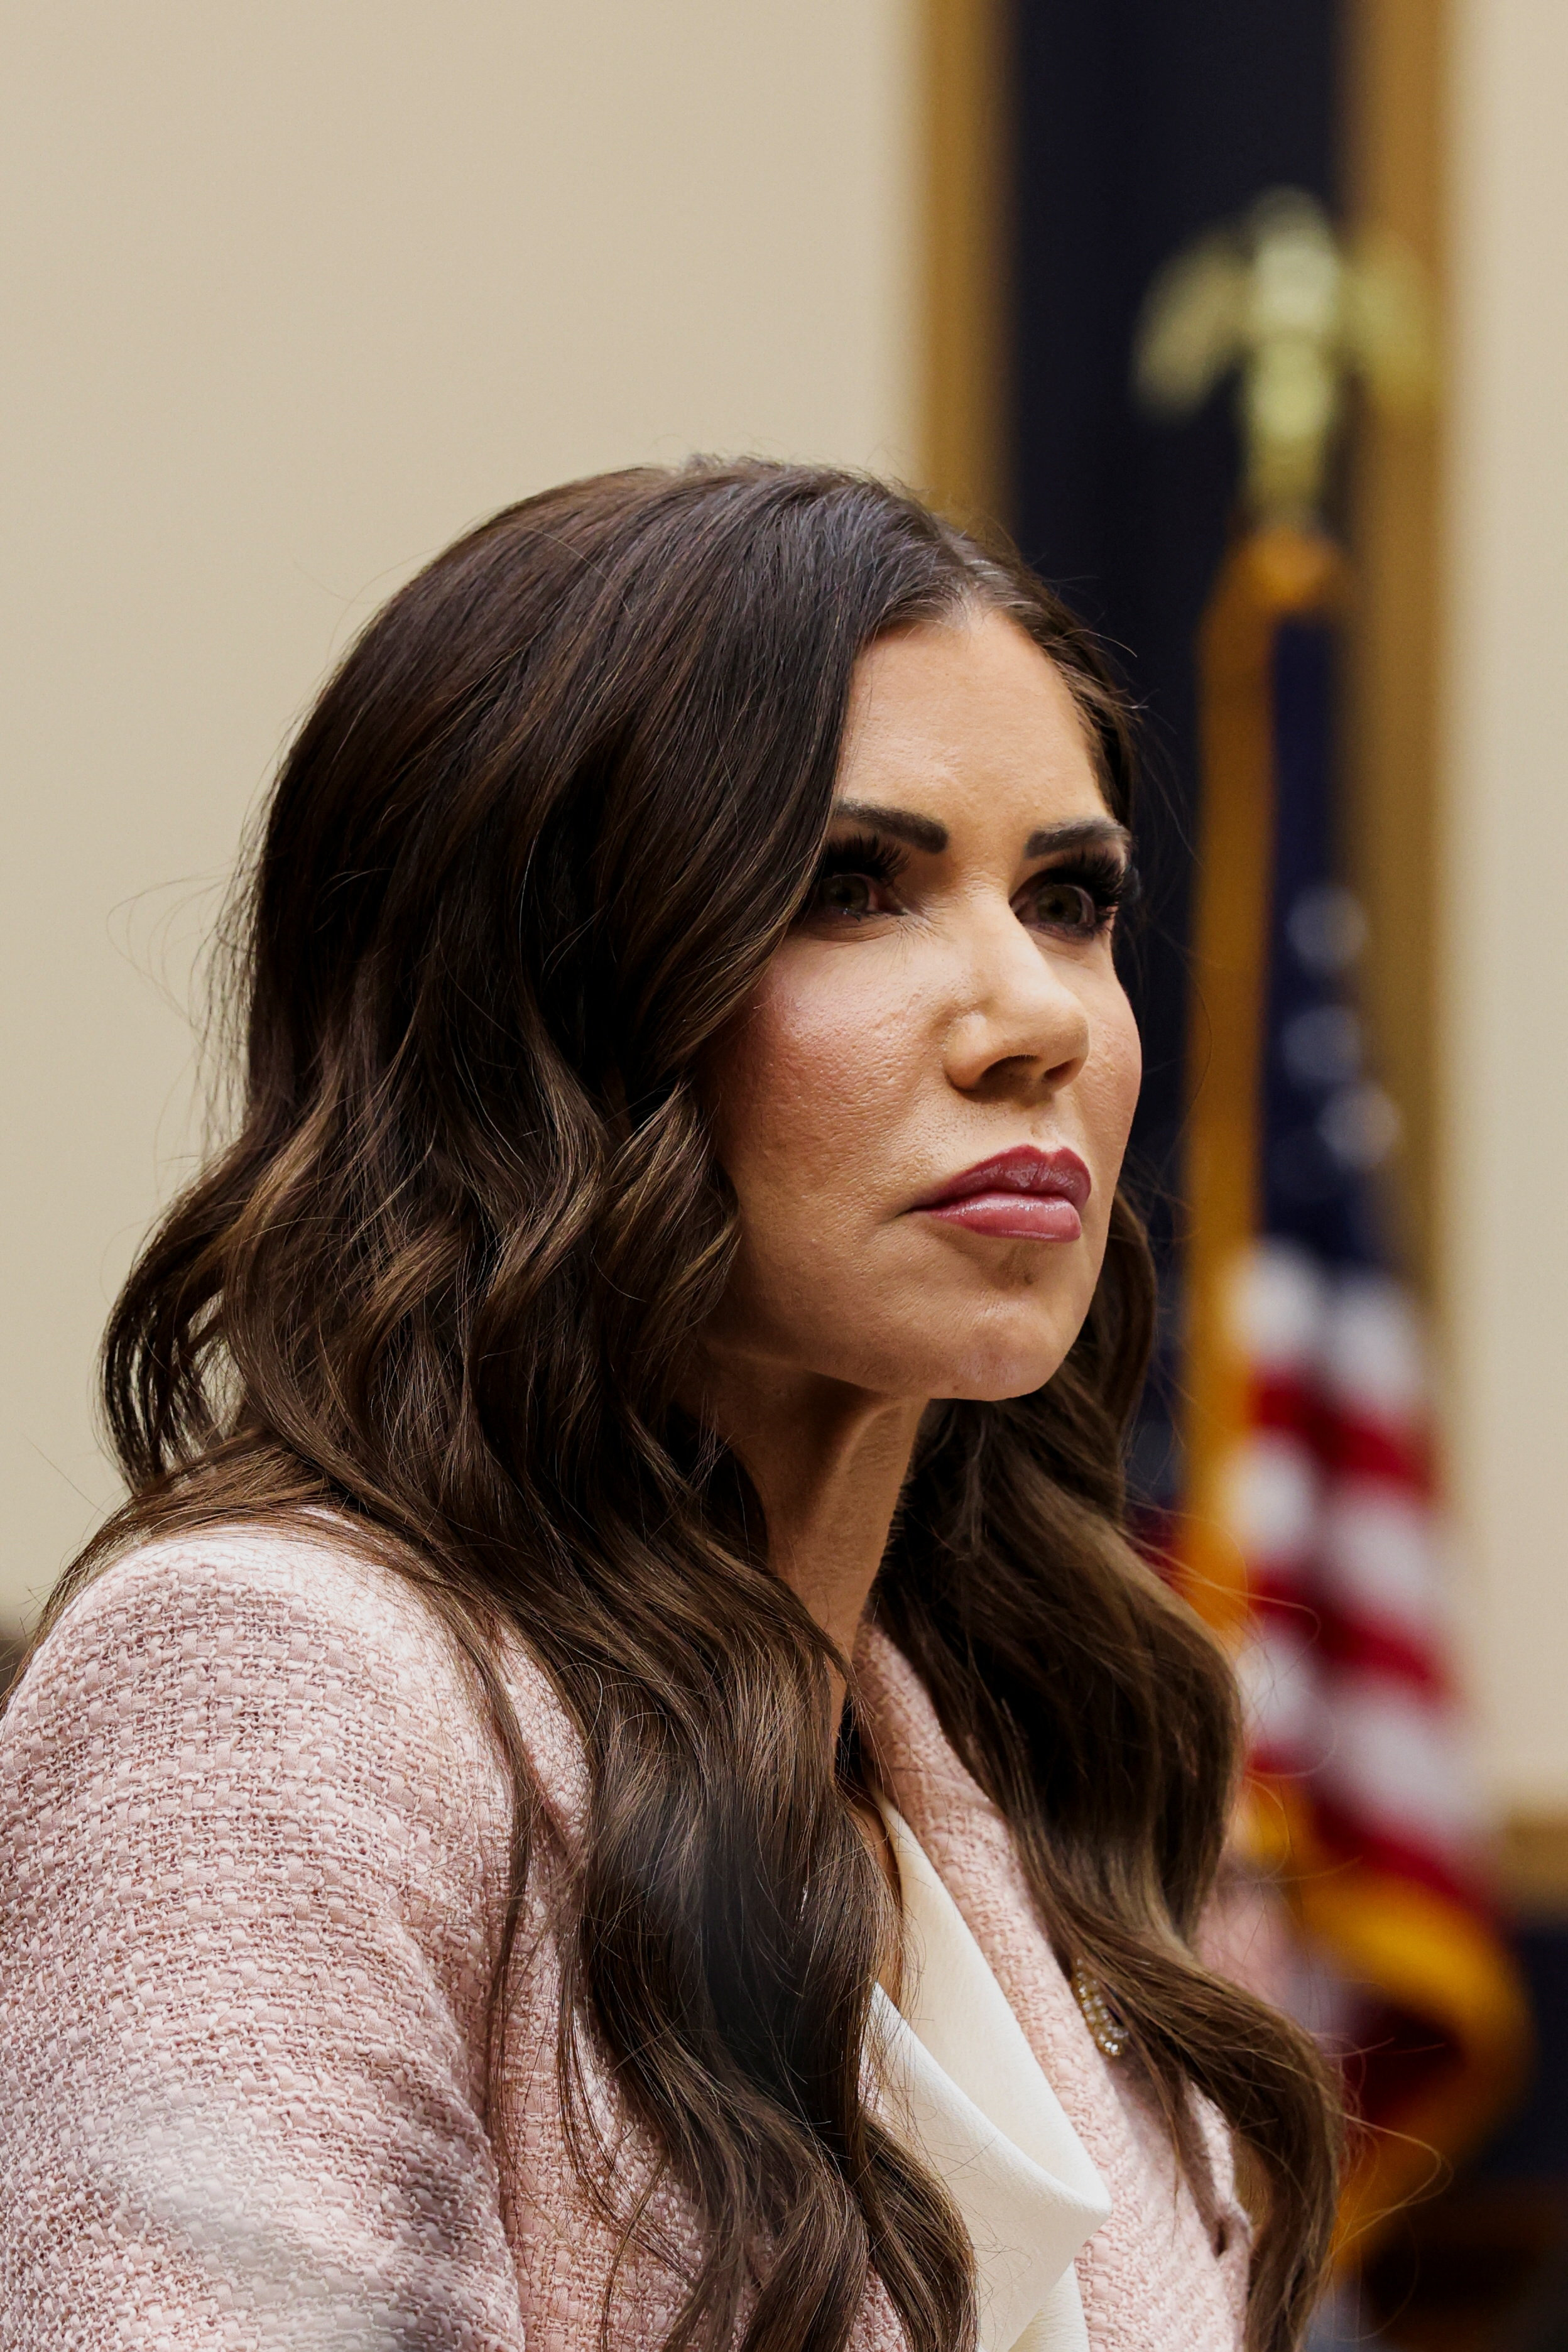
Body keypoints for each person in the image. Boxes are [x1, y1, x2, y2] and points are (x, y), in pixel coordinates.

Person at [0, 462, 1339, 2351]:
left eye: (1070, 897)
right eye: (848, 891)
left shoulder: (1014, 1736)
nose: (1031, 1011)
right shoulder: (270, 1678)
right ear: (544, 1007)